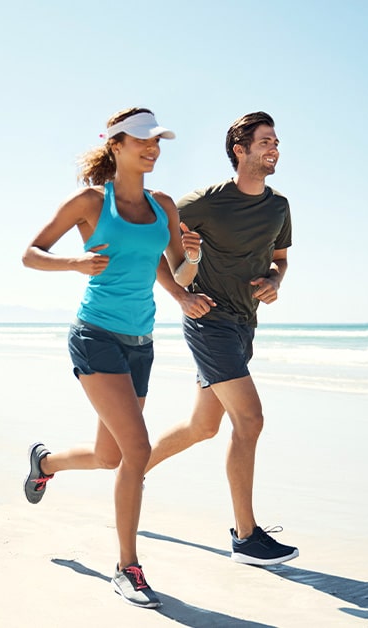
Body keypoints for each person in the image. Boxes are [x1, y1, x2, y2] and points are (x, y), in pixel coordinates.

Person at [20, 108, 200, 609]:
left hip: (140, 342)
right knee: (138, 450)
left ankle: (45, 461)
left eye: (157, 141)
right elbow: (31, 252)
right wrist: (72, 262)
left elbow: (174, 272)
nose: (153, 148)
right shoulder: (89, 202)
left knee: (111, 456)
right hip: (94, 334)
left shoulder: (163, 205)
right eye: (143, 140)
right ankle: (128, 567)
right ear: (115, 144)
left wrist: (191, 266)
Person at [150, 111, 299, 566]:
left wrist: (275, 281)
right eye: (265, 141)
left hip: (243, 325)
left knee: (203, 427)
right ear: (240, 149)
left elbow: (280, 260)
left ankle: (131, 472)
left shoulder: (279, 207)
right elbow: (153, 243)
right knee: (249, 421)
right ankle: (245, 536)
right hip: (208, 320)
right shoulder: (204, 202)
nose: (274, 149)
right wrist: (178, 294)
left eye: (276, 141)